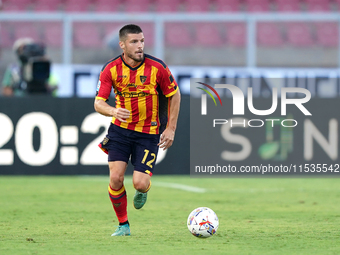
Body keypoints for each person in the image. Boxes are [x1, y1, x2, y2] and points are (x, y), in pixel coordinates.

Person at [94, 24, 181, 236]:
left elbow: (174, 95)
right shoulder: (110, 69)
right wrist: (113, 111)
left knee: (139, 183)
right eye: (134, 42)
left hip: (148, 132)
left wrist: (170, 128)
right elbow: (98, 103)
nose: (139, 46)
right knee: (115, 178)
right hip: (120, 131)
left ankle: (144, 190)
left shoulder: (158, 68)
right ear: (122, 45)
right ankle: (123, 225)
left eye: (141, 41)